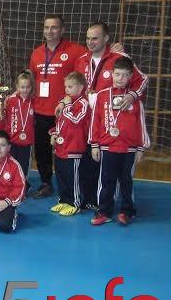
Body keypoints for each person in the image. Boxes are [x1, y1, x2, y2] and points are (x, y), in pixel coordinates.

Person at [72, 22, 148, 210]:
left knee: (112, 170)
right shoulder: (81, 59)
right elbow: (75, 85)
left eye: (95, 38)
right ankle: (90, 199)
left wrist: (132, 95)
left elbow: (142, 79)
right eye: (88, 38)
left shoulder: (119, 57)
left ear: (106, 38)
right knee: (88, 161)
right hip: (86, 119)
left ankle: (112, 204)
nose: (90, 42)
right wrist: (67, 100)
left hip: (111, 122)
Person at [29, 15, 87, 198]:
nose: (50, 31)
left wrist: (114, 49)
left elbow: (94, 59)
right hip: (41, 110)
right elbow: (32, 80)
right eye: (46, 27)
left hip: (66, 112)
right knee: (42, 150)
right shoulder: (36, 53)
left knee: (67, 151)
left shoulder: (76, 51)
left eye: (54, 27)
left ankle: (73, 185)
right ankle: (46, 182)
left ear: (62, 30)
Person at [89, 57, 149, 226]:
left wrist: (141, 148)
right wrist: (94, 144)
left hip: (129, 148)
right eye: (117, 74)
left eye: (124, 75)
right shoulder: (102, 95)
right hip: (108, 147)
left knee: (126, 181)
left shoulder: (135, 99)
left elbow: (141, 124)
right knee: (106, 181)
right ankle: (104, 212)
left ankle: (127, 211)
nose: (120, 78)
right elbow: (95, 121)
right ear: (112, 74)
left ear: (130, 77)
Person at [49, 72, 90, 216]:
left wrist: (66, 105)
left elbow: (77, 119)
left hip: (74, 148)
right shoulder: (66, 102)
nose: (67, 90)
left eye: (70, 87)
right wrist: (54, 133)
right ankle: (64, 200)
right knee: (61, 176)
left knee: (73, 178)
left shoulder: (83, 103)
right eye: (66, 86)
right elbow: (60, 122)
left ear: (80, 88)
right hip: (61, 147)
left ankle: (75, 203)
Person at [4, 71, 36, 192]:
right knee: (11, 164)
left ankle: (23, 186)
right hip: (12, 139)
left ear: (31, 87)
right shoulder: (10, 100)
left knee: (24, 165)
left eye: (28, 87)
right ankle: (11, 185)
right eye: (22, 87)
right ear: (17, 86)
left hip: (27, 141)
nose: (25, 90)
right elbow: (3, 115)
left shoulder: (34, 101)